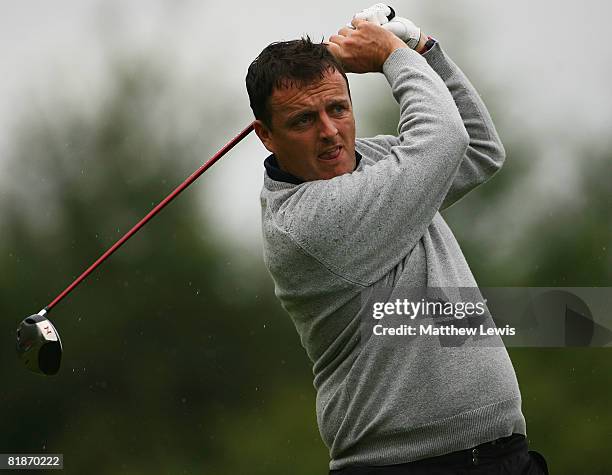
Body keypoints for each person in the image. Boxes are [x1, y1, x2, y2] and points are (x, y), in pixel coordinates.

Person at [246, 4, 548, 474]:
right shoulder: (305, 224)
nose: (329, 133)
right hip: (407, 464)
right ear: (266, 135)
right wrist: (392, 55)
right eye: (303, 120)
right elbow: (444, 139)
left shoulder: (377, 158)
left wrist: (423, 49)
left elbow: (478, 147)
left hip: (497, 453)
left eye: (338, 108)